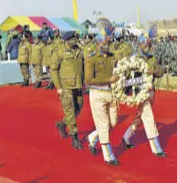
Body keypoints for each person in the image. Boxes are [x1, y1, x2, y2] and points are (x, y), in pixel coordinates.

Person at [121, 35, 167, 158]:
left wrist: (154, 72)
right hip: (140, 92)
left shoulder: (152, 59)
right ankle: (156, 146)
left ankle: (126, 137)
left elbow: (161, 72)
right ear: (140, 45)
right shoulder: (134, 59)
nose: (146, 47)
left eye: (148, 45)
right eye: (144, 45)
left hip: (151, 91)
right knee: (148, 116)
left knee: (140, 117)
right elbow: (127, 76)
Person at [85, 33, 120, 166]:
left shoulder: (112, 57)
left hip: (111, 93)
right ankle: (108, 155)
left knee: (113, 122)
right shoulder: (92, 59)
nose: (106, 46)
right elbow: (89, 80)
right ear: (98, 43)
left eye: (108, 44)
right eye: (104, 44)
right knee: (104, 124)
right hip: (97, 93)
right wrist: (108, 80)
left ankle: (93, 137)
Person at [50, 31, 85, 149]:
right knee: (70, 111)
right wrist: (58, 87)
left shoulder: (80, 50)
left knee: (78, 108)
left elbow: (84, 67)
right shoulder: (60, 52)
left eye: (75, 38)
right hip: (66, 87)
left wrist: (85, 82)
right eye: (72, 39)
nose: (74, 40)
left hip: (79, 85)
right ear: (66, 40)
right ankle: (74, 138)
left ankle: (62, 124)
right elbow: (53, 69)